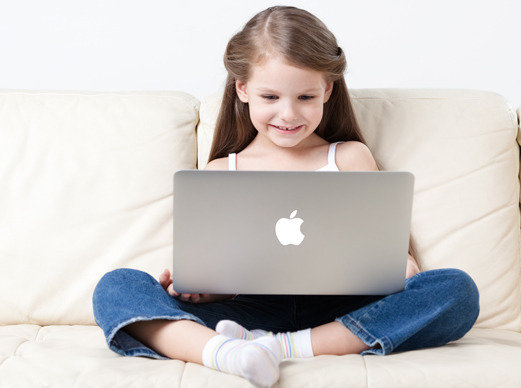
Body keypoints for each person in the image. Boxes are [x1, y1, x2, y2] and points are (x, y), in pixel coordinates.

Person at [92, 6, 479, 388]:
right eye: (271, 96)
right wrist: (201, 290)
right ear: (242, 89)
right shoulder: (222, 172)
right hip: (245, 309)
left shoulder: (348, 157)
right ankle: (229, 352)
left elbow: (399, 259)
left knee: (456, 289)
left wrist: (402, 267)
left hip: (342, 311)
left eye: (306, 97)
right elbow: (218, 274)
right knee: (117, 286)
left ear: (327, 90)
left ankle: (274, 347)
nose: (289, 114)